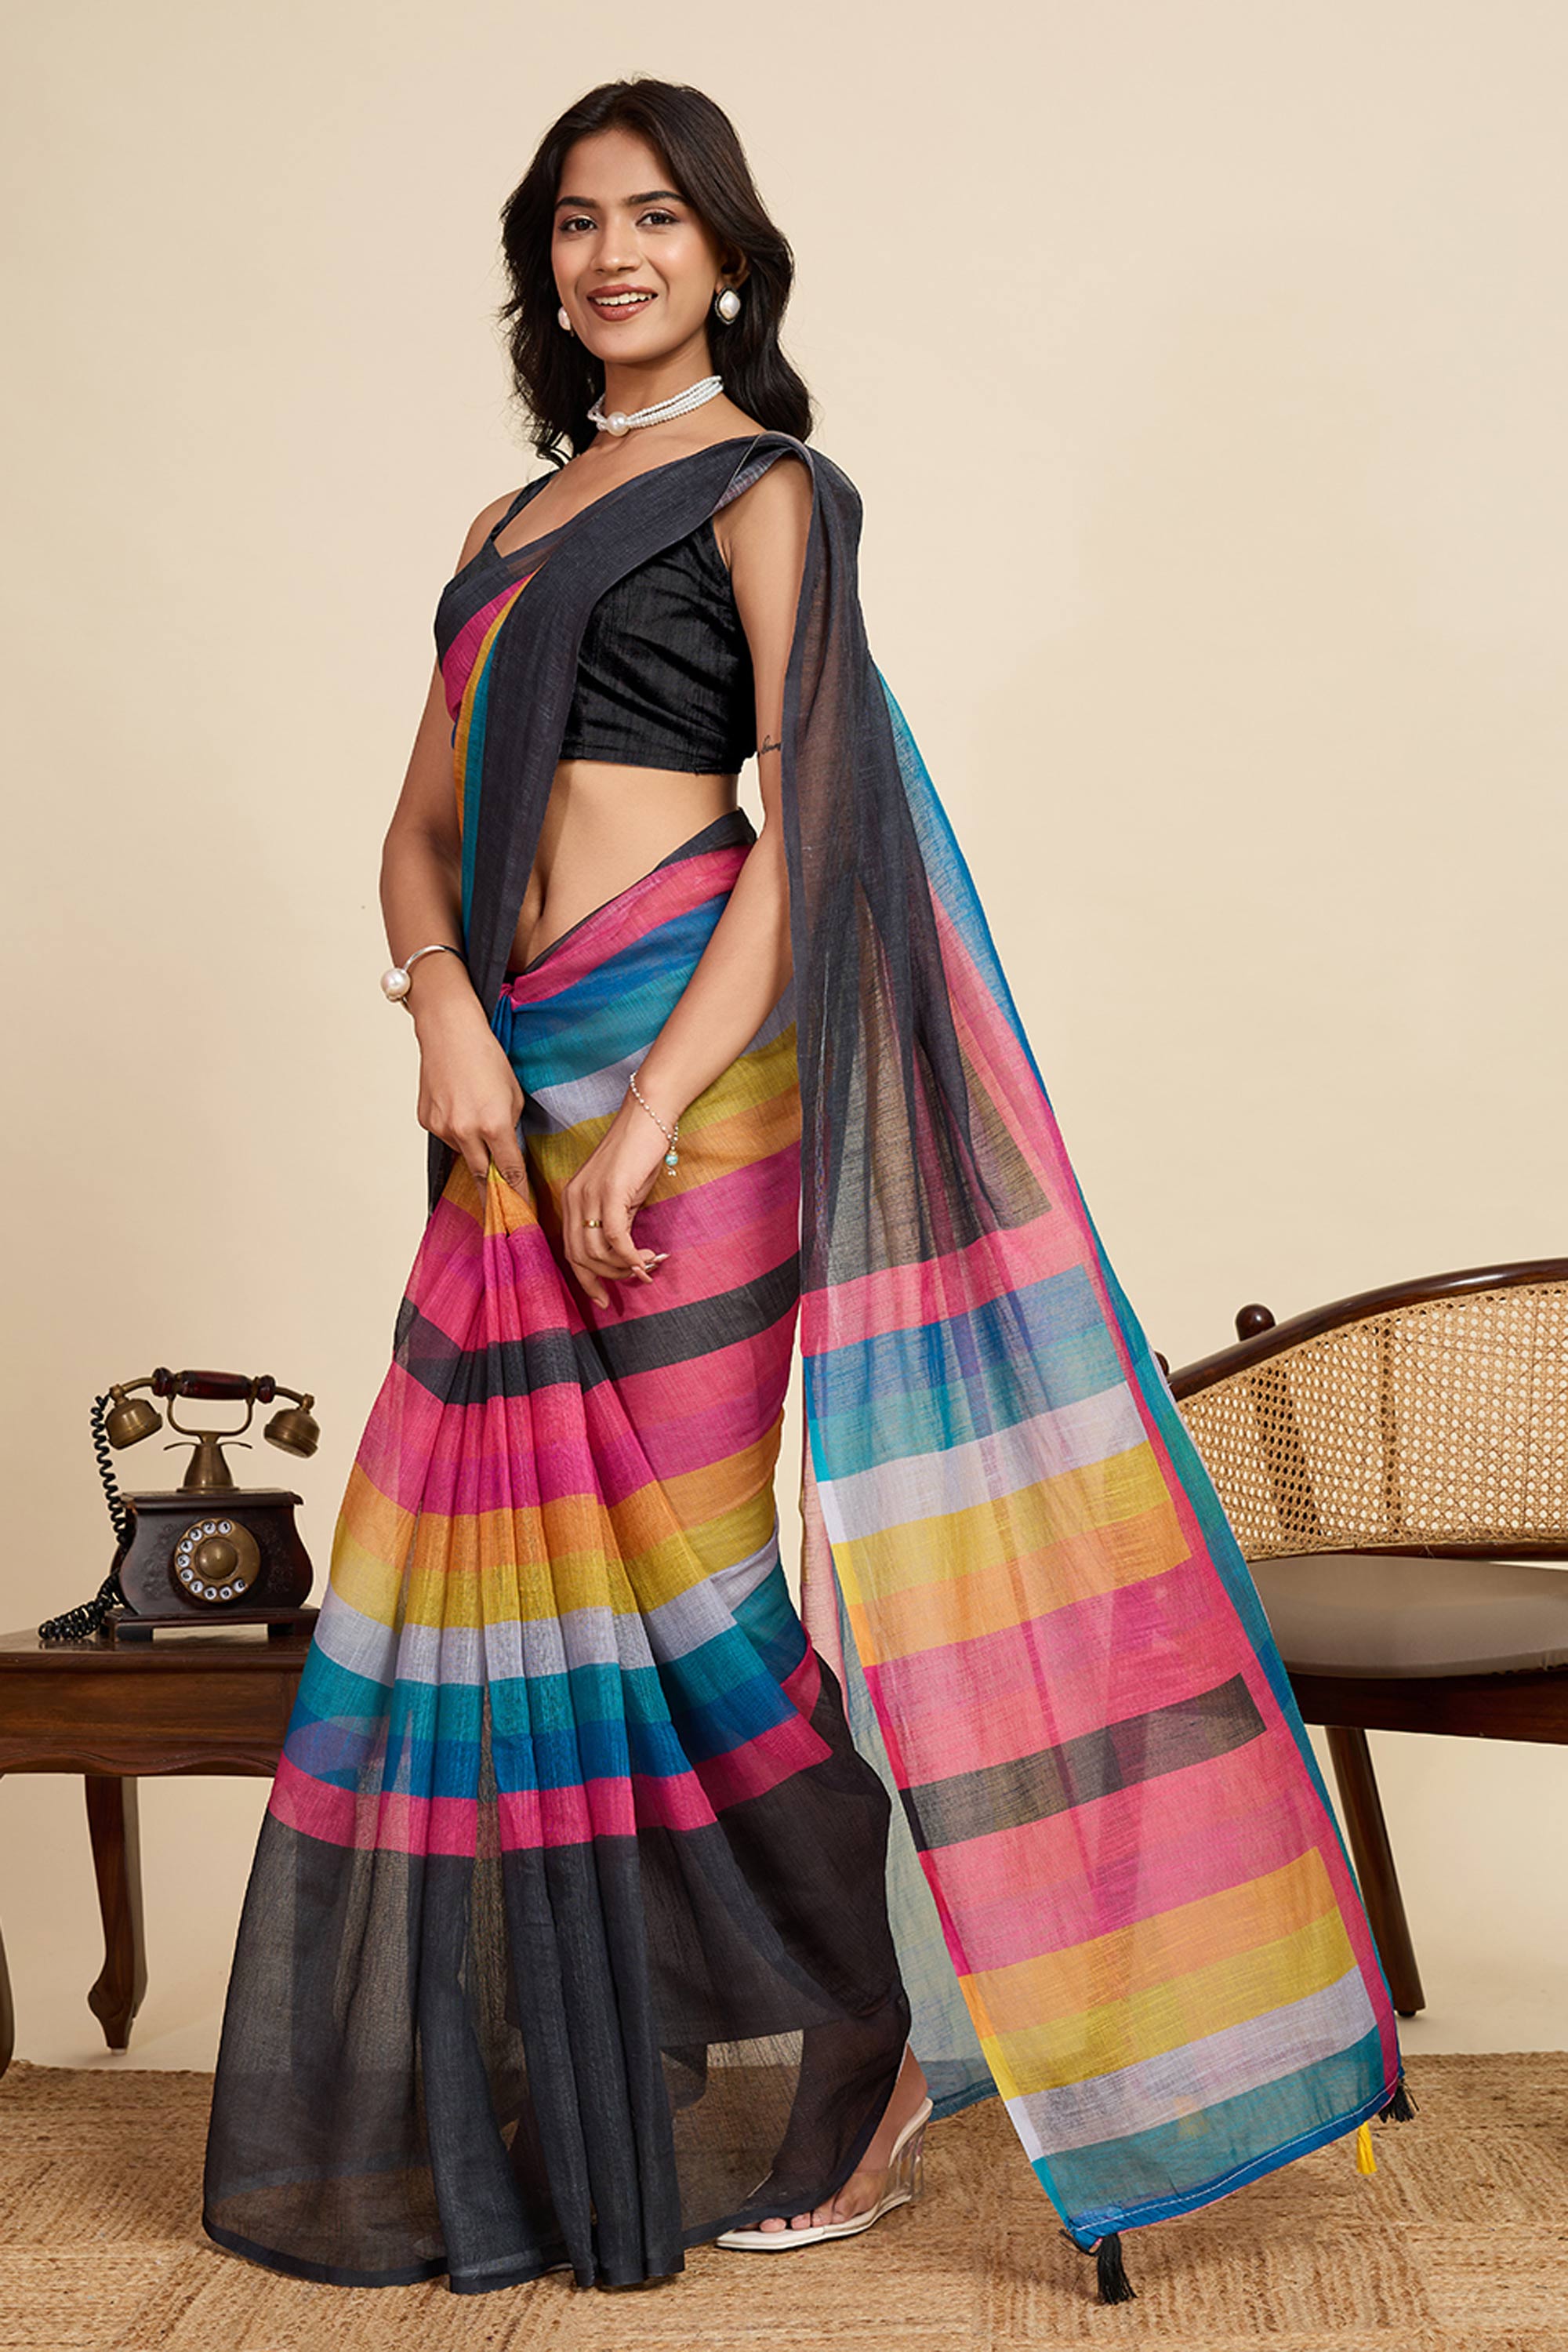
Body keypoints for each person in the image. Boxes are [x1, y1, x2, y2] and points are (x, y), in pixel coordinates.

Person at [203, 75, 1406, 2304]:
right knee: (510, 1582)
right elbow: (417, 826)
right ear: (542, 264)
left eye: (657, 217)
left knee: (687, 1581)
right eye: (579, 222)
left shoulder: (772, 492)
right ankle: (606, 2063)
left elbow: (809, 823)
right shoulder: (503, 517)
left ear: (728, 255)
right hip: (501, 1086)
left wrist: (654, 1106)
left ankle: (864, 2053)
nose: (615, 256)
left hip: (699, 1072)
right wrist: (444, 1004)